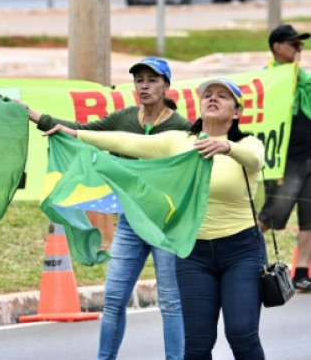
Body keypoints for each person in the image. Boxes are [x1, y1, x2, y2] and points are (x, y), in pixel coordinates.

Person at [46, 78, 266, 359]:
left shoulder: (248, 143)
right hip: (193, 253)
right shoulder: (180, 141)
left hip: (241, 251)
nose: (213, 98)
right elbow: (126, 140)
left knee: (241, 335)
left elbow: (256, 159)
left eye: (223, 96)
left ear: (236, 112)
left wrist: (227, 148)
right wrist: (74, 133)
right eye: (208, 95)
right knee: (197, 344)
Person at [27, 56, 188, 360]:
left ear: (166, 86)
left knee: (170, 302)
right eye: (139, 79)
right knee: (113, 300)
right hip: (129, 223)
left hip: (166, 226)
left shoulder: (181, 127)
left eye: (152, 80)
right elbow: (81, 131)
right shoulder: (123, 119)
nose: (144, 86)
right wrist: (36, 116)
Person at [257, 24, 311, 291]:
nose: (299, 49)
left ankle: (301, 273)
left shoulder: (303, 79)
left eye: (301, 45)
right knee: (270, 216)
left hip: (309, 156)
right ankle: (242, 255)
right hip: (287, 161)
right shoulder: (269, 80)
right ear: (278, 47)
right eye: (294, 44)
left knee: (309, 219)